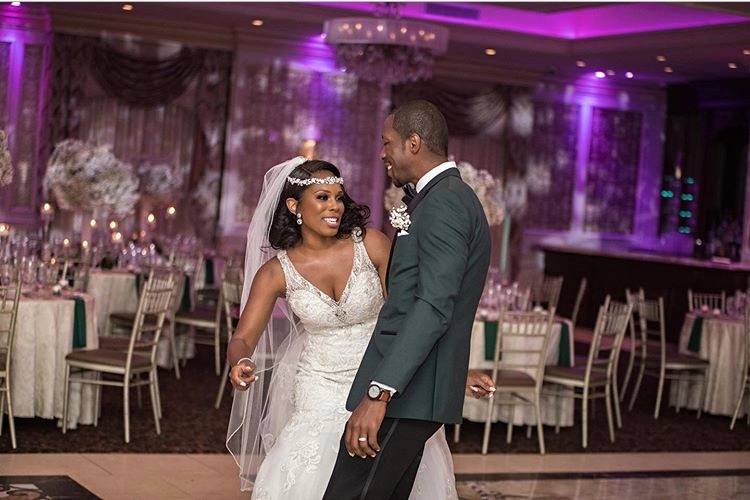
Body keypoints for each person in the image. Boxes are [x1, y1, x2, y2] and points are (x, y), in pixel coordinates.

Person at [225, 157, 493, 499]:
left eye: (338, 197)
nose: (334, 206)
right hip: (318, 385)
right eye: (322, 197)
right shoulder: (276, 272)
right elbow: (243, 337)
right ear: (295, 206)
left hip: (378, 377)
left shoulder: (371, 245)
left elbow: (414, 318)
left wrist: (455, 370)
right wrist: (239, 362)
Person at [323, 100, 492, 500]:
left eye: (388, 143)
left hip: (407, 392)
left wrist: (380, 392)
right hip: (413, 387)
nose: (382, 153)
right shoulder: (437, 198)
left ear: (413, 143)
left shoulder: (445, 201)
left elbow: (433, 306)